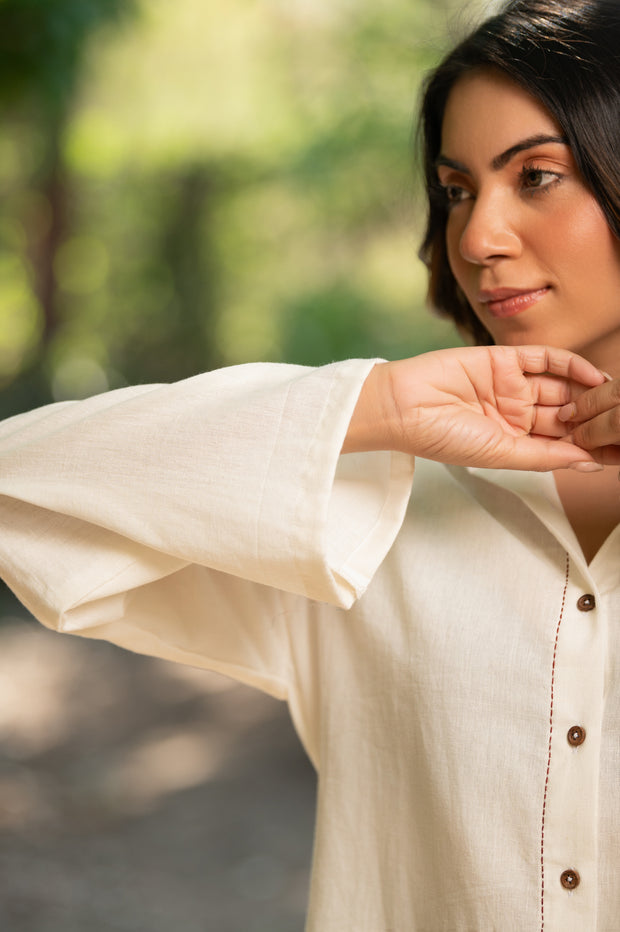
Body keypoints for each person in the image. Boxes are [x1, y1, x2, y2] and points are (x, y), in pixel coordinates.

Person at [1, 0, 620, 928]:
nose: (479, 238)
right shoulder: (371, 501)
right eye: (456, 189)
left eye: (536, 176)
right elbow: (20, 488)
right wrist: (377, 409)